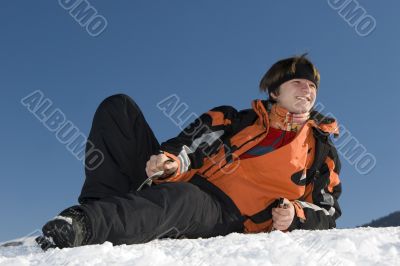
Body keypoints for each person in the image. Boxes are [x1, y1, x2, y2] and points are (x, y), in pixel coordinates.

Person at [36, 54, 342, 250]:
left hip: (224, 212)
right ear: (275, 92)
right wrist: (169, 161)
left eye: (312, 85)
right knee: (119, 108)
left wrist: (296, 215)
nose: (308, 90)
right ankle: (104, 205)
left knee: (183, 199)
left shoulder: (319, 150)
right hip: (178, 183)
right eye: (298, 82)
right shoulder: (235, 119)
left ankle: (85, 225)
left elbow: (328, 211)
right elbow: (189, 143)